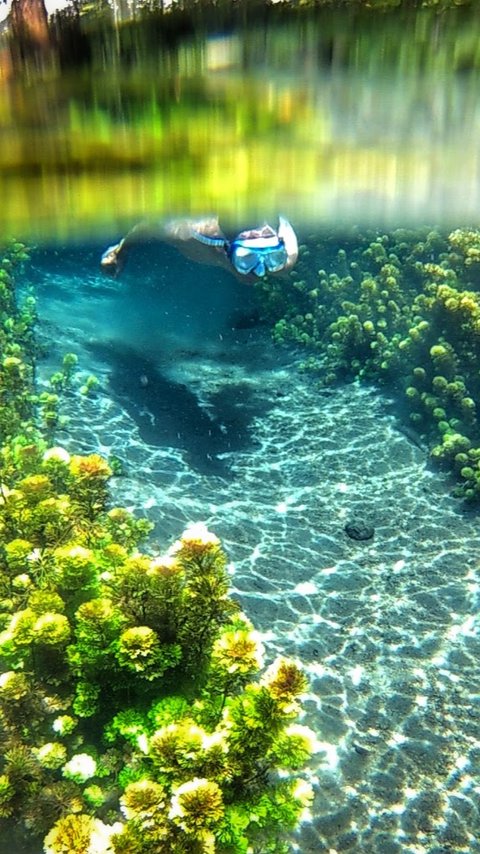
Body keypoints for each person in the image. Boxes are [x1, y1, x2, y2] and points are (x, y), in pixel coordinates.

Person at [100, 215, 298, 280]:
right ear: (225, 248)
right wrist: (121, 251)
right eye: (246, 259)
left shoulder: (284, 253)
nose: (260, 271)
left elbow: (286, 230)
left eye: (273, 257)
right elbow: (152, 225)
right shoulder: (191, 236)